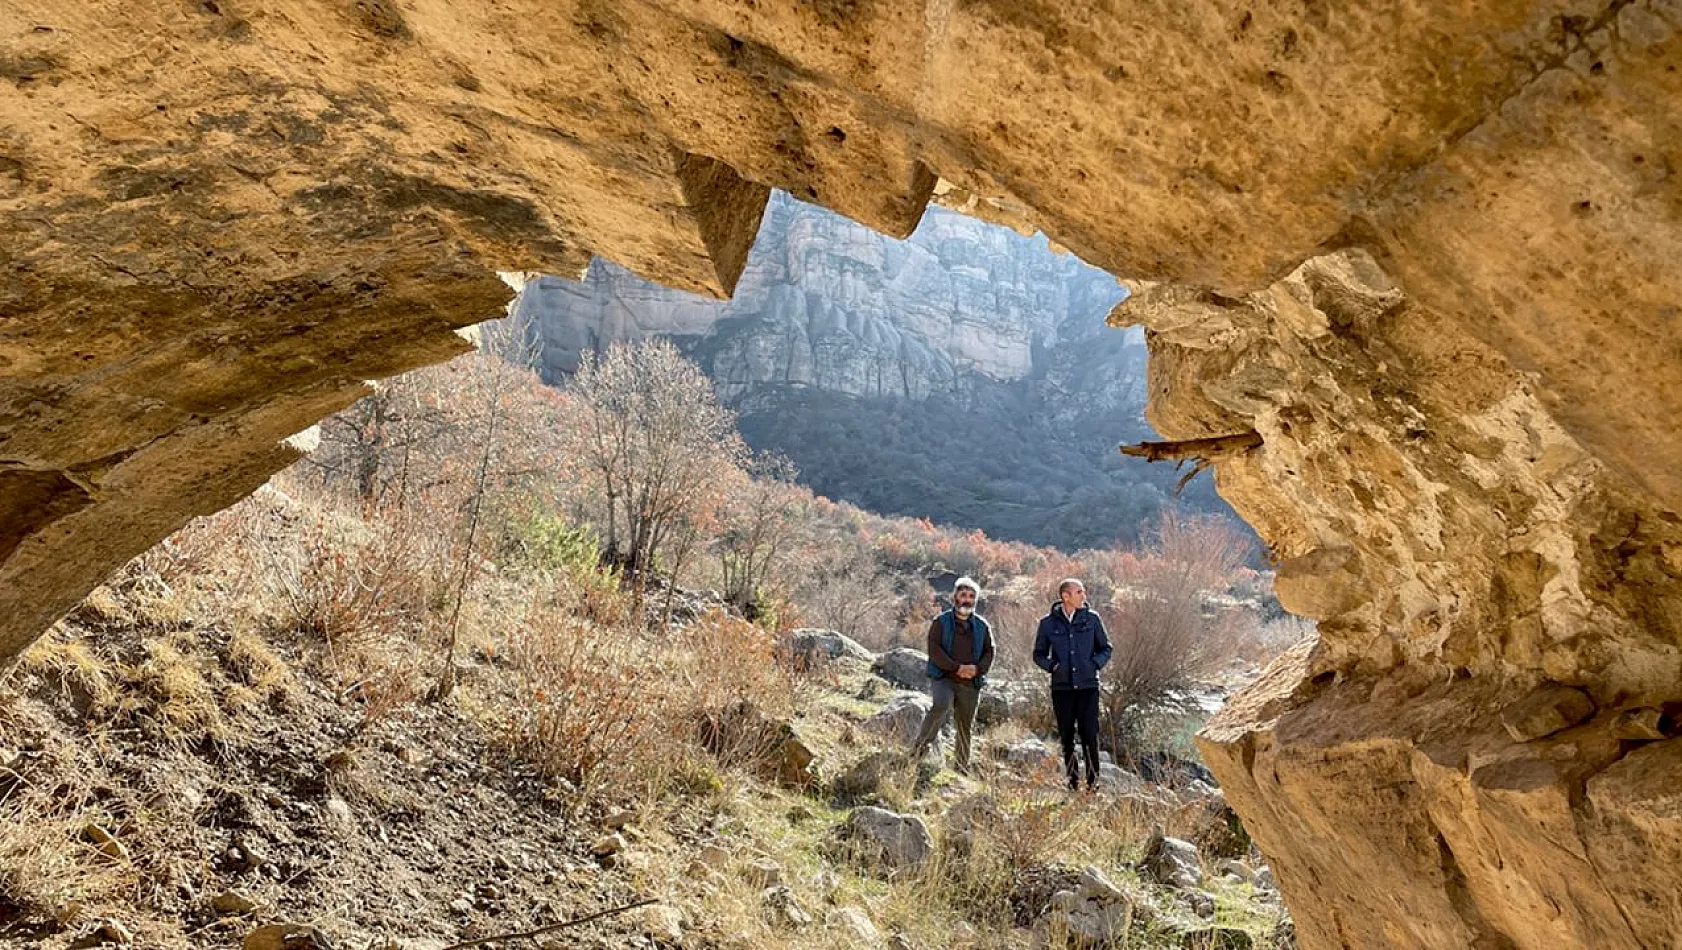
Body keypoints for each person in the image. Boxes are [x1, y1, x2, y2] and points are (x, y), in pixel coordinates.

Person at [1033, 577, 1111, 791]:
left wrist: (1094, 664)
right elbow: (1038, 654)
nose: (1083, 596)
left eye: (1083, 592)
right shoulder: (1047, 624)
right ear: (1065, 596)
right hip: (1062, 689)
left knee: (1090, 735)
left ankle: (1093, 785)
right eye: (1079, 592)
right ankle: (1073, 782)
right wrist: (1052, 667)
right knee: (1067, 737)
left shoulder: (1092, 619)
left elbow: (1106, 648)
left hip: (1088, 687)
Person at [910, 576, 994, 774]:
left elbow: (990, 651)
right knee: (941, 704)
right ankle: (917, 753)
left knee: (965, 724)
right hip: (944, 676)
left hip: (971, 681)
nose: (966, 599)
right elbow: (934, 649)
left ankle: (961, 767)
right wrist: (956, 668)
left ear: (975, 600)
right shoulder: (941, 622)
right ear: (954, 597)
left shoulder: (982, 626)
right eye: (963, 594)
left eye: (971, 596)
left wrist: (977, 669)